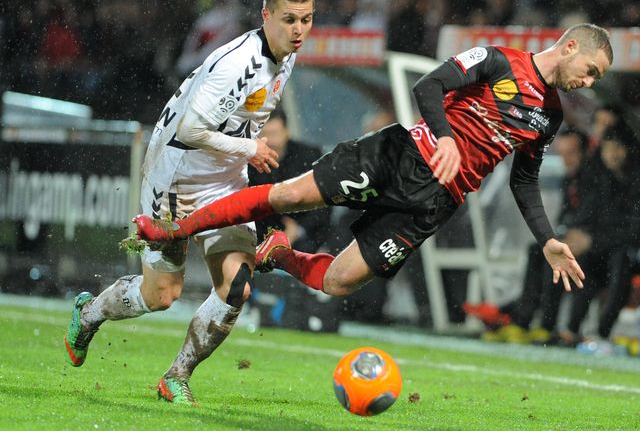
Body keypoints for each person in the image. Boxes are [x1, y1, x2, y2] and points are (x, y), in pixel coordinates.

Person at [134, 23, 613, 308]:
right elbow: (428, 87)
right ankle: (173, 231)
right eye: (591, 70)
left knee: (340, 282)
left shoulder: (549, 116)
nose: (589, 82)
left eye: (596, 78)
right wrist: (445, 138)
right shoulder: (495, 59)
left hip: (435, 201)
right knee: (290, 196)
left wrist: (548, 238)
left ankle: (277, 254)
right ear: (570, 47)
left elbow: (524, 179)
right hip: (399, 156)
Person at [63, 0, 315, 405]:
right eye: (289, 19)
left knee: (237, 286)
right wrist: (250, 147)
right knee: (161, 295)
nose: (299, 30)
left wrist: (242, 151)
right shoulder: (238, 63)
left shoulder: (286, 54)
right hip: (177, 178)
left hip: (226, 178)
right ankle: (88, 314)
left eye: (306, 19)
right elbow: (189, 130)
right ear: (266, 16)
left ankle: (175, 377)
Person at [560, 123, 640, 348]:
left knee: (619, 259)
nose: (612, 155)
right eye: (607, 149)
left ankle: (602, 332)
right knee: (583, 259)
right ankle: (570, 330)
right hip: (617, 245)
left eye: (617, 148)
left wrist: (594, 240)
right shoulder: (607, 177)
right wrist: (583, 237)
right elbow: (603, 220)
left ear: (630, 149)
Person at [475, 128, 594, 344]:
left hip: (595, 245)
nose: (567, 160)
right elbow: (567, 216)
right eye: (563, 154)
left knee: (557, 257)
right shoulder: (570, 179)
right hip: (574, 239)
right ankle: (523, 319)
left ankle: (546, 325)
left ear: (585, 153)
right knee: (538, 250)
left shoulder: (595, 178)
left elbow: (600, 216)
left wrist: (588, 237)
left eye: (572, 154)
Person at [249, 109, 330, 253]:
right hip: (264, 234)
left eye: (274, 133)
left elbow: (325, 200)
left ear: (286, 132)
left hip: (308, 233)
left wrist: (297, 230)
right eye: (264, 135)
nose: (270, 141)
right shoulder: (249, 164)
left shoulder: (310, 155)